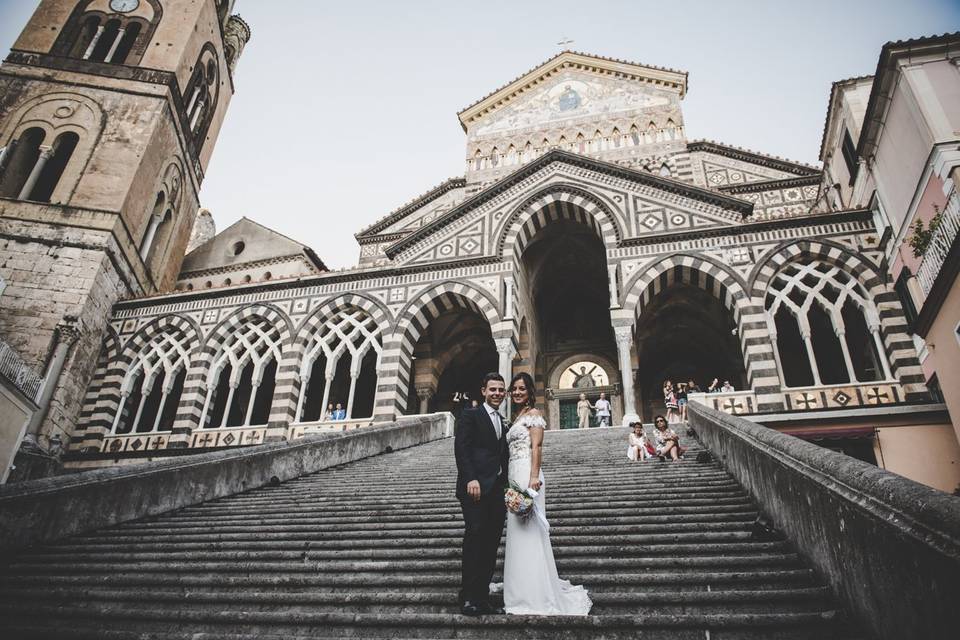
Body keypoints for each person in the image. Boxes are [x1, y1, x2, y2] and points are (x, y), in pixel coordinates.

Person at [503, 372, 592, 615]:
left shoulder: (534, 415)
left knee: (529, 530)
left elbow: (537, 446)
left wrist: (533, 477)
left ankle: (534, 592)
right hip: (514, 473)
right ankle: (519, 587)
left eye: (522, 388)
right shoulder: (517, 416)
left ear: (530, 391)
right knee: (517, 531)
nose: (518, 392)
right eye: (515, 389)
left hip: (528, 473)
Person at [454, 373, 509, 617]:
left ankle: (482, 596)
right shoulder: (471, 414)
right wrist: (470, 478)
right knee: (475, 540)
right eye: (493, 389)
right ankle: (467, 597)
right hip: (475, 487)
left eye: (501, 390)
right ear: (484, 391)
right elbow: (462, 448)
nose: (497, 393)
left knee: (491, 544)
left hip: (497, 490)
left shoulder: (503, 421)